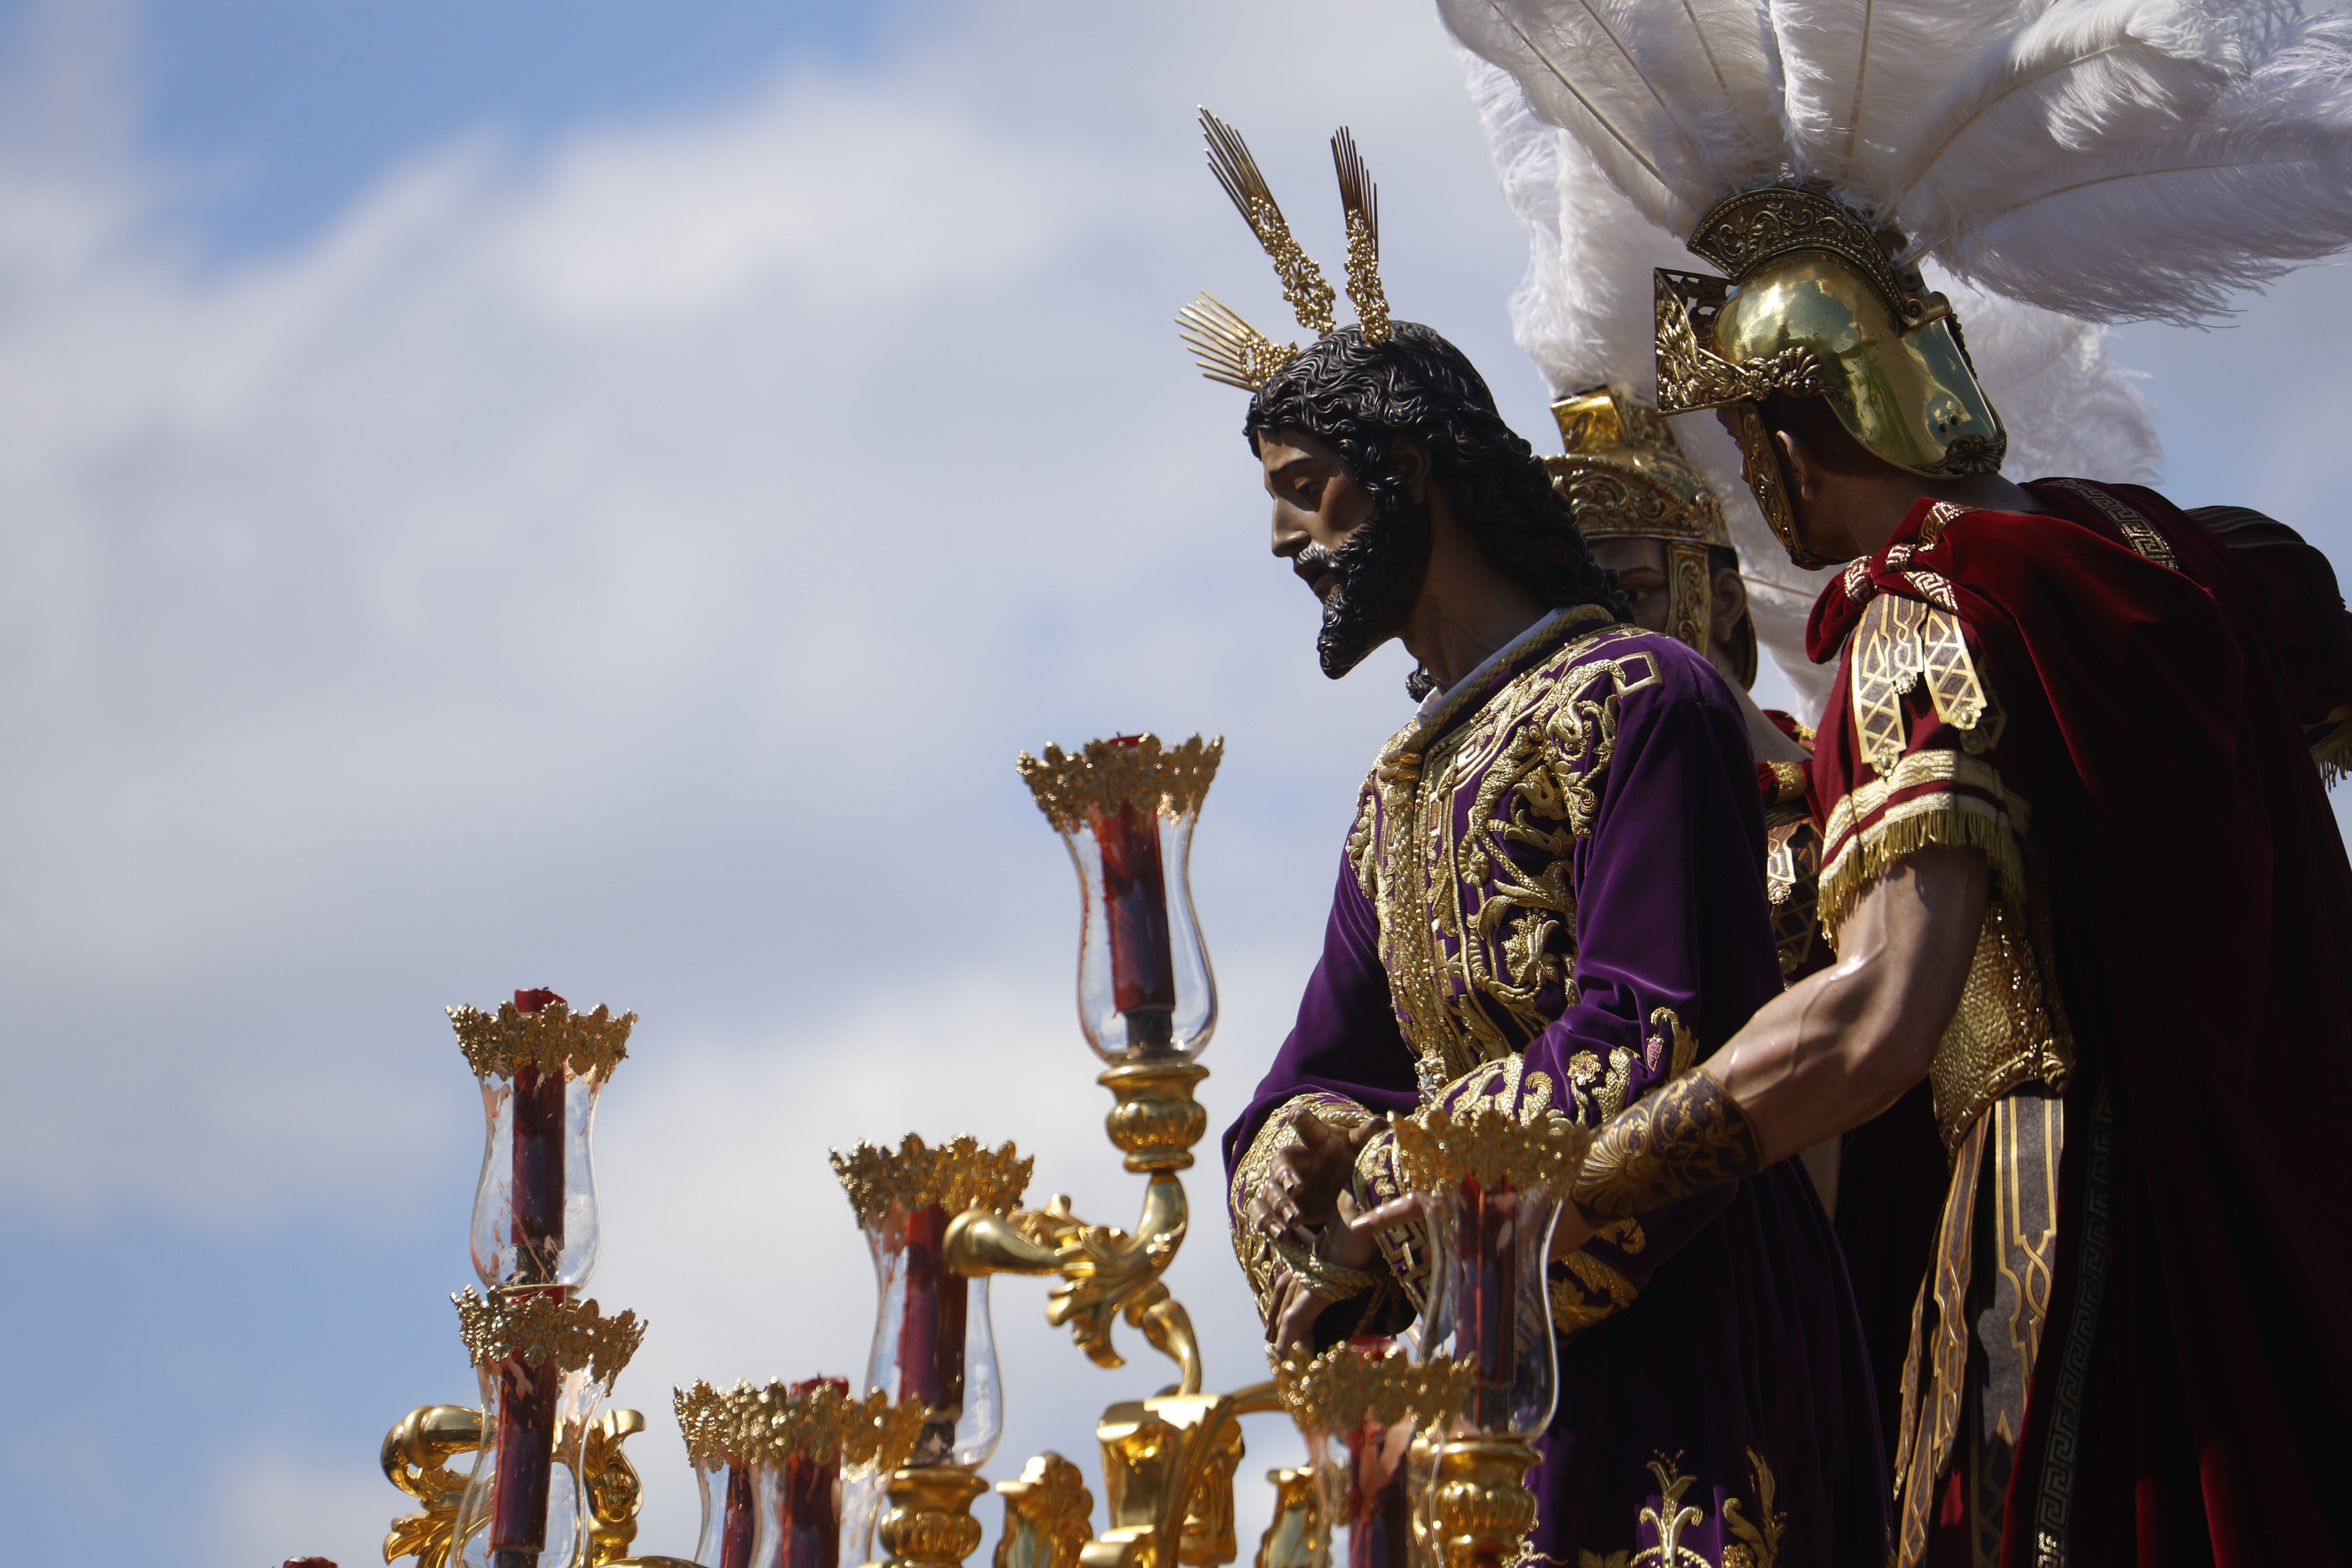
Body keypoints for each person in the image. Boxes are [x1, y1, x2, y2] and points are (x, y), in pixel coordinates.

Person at [1446, 4, 2352, 1560]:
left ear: (1794, 428)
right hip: (2287, 1223)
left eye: (1747, 432)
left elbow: (1879, 1015)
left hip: (2067, 1258)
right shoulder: (2177, 551)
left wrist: (1585, 1183)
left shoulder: (1919, 620)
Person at [1181, 111, 1889, 1567]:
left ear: (1411, 468)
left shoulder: (1642, 699)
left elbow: (1653, 1025)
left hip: (1677, 1331)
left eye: (1304, 488)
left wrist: (1394, 1176)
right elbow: (1321, 1071)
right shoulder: (1398, 790)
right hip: (1480, 1354)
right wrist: (1302, 1166)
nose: (1284, 541)